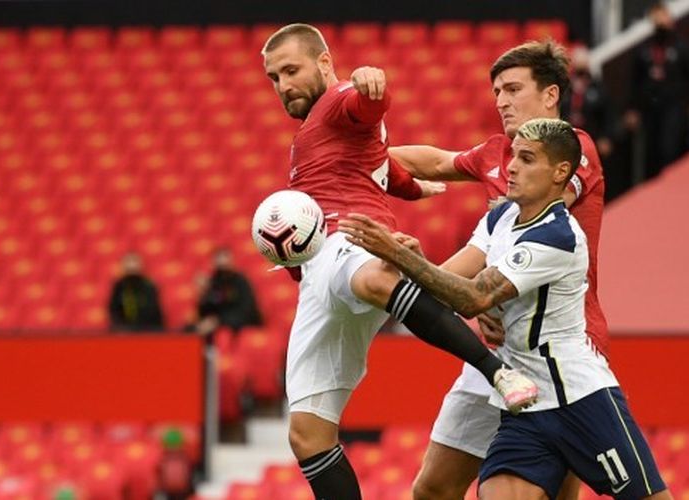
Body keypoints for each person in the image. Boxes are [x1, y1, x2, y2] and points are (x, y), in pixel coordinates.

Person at [261, 23, 537, 499]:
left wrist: (371, 86)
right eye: (274, 77)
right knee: (306, 433)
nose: (283, 85)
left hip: (350, 238)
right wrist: (412, 187)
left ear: (324, 64)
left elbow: (363, 106)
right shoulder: (311, 135)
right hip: (317, 278)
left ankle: (498, 372)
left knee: (371, 278)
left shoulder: (338, 99)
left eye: (291, 70)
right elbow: (376, 165)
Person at [341, 117, 670, 500]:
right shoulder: (502, 216)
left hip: (579, 400)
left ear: (560, 172)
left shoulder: (558, 237)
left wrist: (400, 255)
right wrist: (408, 265)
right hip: (523, 405)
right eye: (513, 155)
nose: (511, 166)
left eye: (527, 159)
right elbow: (454, 284)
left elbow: (474, 297)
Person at [387, 41, 608, 499]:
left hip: (561, 352)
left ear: (550, 95)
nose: (501, 101)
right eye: (496, 92)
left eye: (512, 88)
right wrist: (362, 154)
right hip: (498, 354)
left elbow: (541, 221)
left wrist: (485, 293)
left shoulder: (574, 149)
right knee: (431, 489)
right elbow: (435, 161)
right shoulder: (496, 153)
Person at [625, 1, 689, 180]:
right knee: (651, 149)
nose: (661, 21)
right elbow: (635, 82)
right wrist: (632, 109)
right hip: (650, 106)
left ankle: (670, 183)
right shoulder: (644, 49)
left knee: (669, 146)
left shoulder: (681, 47)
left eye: (664, 16)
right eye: (657, 17)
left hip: (674, 105)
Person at [195, 247, 263, 334]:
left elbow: (246, 311)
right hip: (218, 327)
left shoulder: (240, 281)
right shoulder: (214, 283)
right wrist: (203, 293)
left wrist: (218, 321)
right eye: (220, 268)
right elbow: (207, 311)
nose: (223, 271)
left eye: (225, 265)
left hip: (242, 326)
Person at [108, 252, 165, 332]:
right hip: (125, 330)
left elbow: (154, 311)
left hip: (147, 329)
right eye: (129, 268)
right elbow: (114, 310)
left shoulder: (148, 286)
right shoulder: (119, 287)